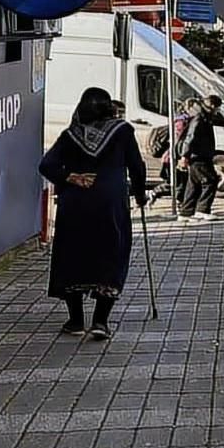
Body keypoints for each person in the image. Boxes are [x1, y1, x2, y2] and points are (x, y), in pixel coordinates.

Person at [39, 86, 147, 340]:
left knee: (73, 257)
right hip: (110, 204)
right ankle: (101, 321)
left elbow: (46, 165)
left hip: (75, 206)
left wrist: (70, 177)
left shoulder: (70, 135)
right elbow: (137, 165)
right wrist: (140, 194)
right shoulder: (122, 131)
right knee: (111, 255)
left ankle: (75, 321)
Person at [179, 94, 221, 222]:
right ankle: (202, 210)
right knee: (211, 181)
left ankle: (186, 212)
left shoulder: (205, 117)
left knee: (194, 184)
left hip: (199, 155)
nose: (218, 111)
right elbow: (190, 138)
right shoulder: (200, 119)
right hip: (198, 156)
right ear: (212, 106)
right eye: (218, 108)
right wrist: (184, 156)